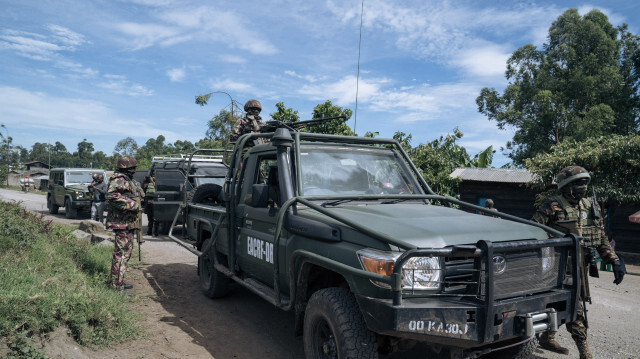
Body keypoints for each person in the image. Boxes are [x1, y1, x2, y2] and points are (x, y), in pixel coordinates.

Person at [532, 166, 626, 359]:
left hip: (579, 266)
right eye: (578, 183)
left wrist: (614, 260)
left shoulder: (591, 206)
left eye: (585, 183)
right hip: (555, 267)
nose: (583, 187)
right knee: (572, 306)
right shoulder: (552, 205)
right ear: (566, 186)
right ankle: (585, 352)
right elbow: (532, 230)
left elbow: (600, 237)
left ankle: (547, 338)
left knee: (567, 303)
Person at [106, 156, 144, 294]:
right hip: (121, 223)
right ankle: (116, 287)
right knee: (121, 255)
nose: (134, 170)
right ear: (127, 168)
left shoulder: (128, 180)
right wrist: (132, 205)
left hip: (127, 222)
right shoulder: (119, 179)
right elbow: (111, 196)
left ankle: (119, 281)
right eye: (133, 168)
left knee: (125, 254)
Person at [142, 170, 157, 237]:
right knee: (149, 217)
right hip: (148, 200)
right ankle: (149, 231)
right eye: (152, 175)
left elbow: (156, 187)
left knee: (155, 217)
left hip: (155, 200)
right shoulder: (148, 183)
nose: (153, 176)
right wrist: (144, 181)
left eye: (154, 175)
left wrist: (152, 181)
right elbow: (143, 187)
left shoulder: (157, 181)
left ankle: (155, 232)